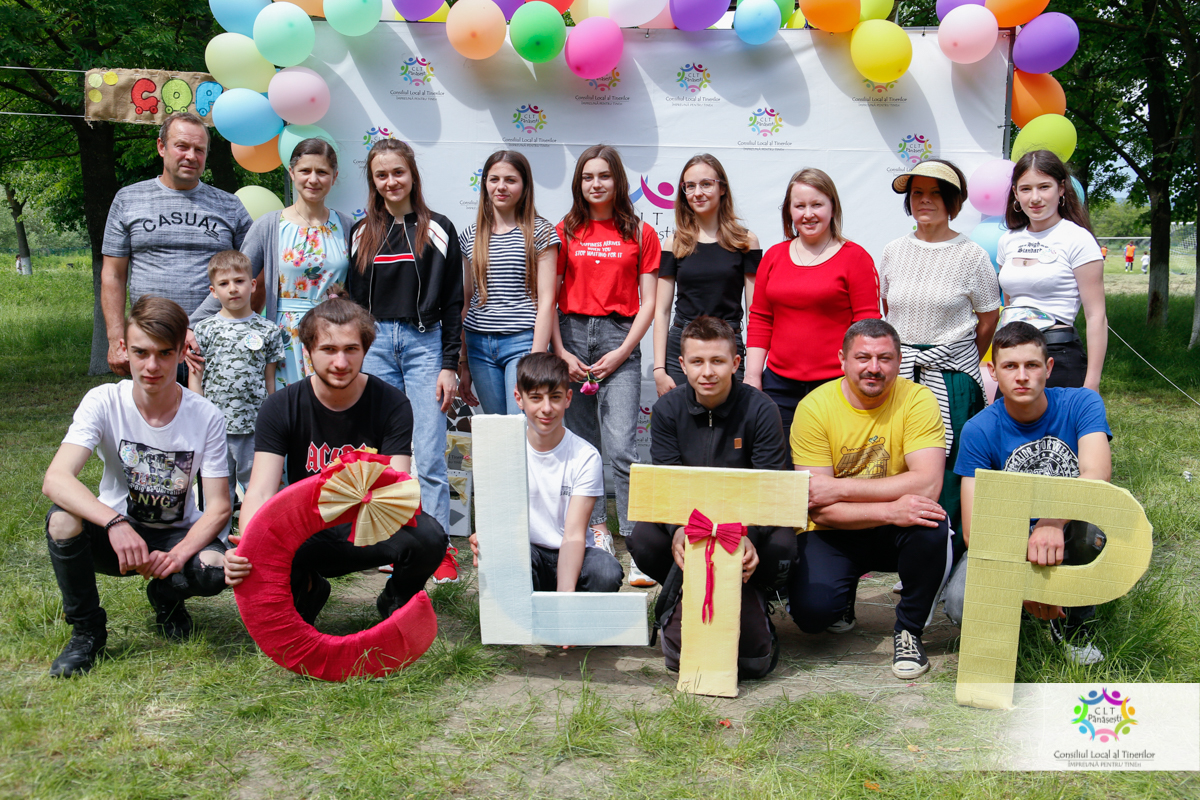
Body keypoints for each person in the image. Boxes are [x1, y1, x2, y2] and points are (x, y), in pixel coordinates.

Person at [222, 298, 445, 623]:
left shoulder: (392, 403)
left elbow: (397, 489)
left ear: (365, 350)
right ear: (308, 350)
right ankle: (308, 588)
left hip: (369, 525)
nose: (340, 362)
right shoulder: (280, 406)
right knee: (262, 539)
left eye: (351, 349)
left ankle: (396, 599)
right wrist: (249, 545)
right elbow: (259, 491)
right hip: (309, 529)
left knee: (430, 536)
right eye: (328, 349)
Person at [42, 296, 231, 677]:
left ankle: (167, 595)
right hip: (116, 536)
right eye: (141, 352)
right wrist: (115, 523)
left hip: (176, 535)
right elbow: (56, 478)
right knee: (62, 521)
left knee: (215, 570)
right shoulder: (103, 400)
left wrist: (178, 555)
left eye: (164, 353)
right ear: (124, 349)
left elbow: (219, 507)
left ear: (181, 353)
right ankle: (87, 631)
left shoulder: (206, 416)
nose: (151, 366)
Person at [789, 319, 950, 679]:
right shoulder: (814, 408)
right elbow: (818, 507)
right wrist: (890, 508)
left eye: (884, 358)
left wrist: (841, 489)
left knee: (931, 523)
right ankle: (842, 597)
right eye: (862, 357)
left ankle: (909, 630)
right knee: (813, 616)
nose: (873, 368)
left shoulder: (918, 399)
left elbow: (927, 485)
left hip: (895, 528)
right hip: (835, 529)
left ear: (899, 360)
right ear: (842, 359)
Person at [944, 322, 1112, 665]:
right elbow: (975, 530)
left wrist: (1052, 521)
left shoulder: (1082, 403)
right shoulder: (979, 429)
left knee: (1091, 533)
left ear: (1048, 368)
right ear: (993, 372)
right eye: (1010, 366)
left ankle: (1074, 628)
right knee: (960, 604)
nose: (1021, 376)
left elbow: (1097, 476)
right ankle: (1022, 613)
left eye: (1031, 365)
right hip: (1008, 537)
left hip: (1070, 527)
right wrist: (1026, 578)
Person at [346, 139, 463, 583]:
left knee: (429, 454)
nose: (391, 181)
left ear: (412, 174)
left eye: (398, 172)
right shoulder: (361, 231)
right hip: (376, 347)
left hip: (424, 345)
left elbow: (453, 302)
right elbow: (355, 305)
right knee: (381, 456)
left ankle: (437, 548)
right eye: (382, 175)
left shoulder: (439, 228)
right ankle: (390, 543)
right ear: (373, 181)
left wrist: (448, 363)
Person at [553, 144, 659, 583]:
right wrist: (562, 352)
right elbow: (549, 297)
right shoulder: (565, 230)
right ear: (579, 183)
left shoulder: (641, 232)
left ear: (618, 180)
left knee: (621, 450)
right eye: (587, 177)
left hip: (620, 338)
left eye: (604, 176)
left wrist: (623, 351)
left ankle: (636, 543)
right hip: (572, 337)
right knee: (582, 448)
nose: (595, 184)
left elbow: (649, 302)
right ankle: (597, 532)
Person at [629, 316, 796, 593]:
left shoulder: (762, 409)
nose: (707, 372)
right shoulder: (666, 410)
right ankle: (686, 593)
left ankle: (752, 596)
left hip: (745, 514)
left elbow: (768, 486)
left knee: (784, 547)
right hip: (690, 514)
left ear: (735, 364)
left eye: (717, 361)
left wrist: (747, 535)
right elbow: (669, 483)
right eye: (697, 362)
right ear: (683, 364)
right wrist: (678, 529)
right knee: (643, 540)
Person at [880, 159, 1000, 541]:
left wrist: (956, 358)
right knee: (900, 458)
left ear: (953, 201)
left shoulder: (972, 254)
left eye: (935, 193)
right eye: (917, 193)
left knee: (952, 466)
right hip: (903, 377)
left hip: (952, 379)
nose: (925, 200)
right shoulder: (893, 250)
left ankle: (954, 547)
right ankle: (906, 545)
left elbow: (988, 318)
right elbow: (889, 310)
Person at [101, 112, 253, 378]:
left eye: (199, 149)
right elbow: (113, 274)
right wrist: (116, 340)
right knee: (154, 407)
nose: (191, 156)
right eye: (182, 146)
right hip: (150, 342)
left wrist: (244, 328)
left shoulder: (229, 206)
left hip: (215, 343)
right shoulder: (128, 199)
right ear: (161, 147)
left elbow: (254, 273)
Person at [195, 138, 353, 390]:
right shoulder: (269, 225)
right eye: (305, 170)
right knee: (288, 405)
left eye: (322, 172)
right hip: (285, 337)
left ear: (334, 177)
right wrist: (192, 325)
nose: (313, 179)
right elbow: (234, 277)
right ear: (292, 172)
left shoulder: (347, 226)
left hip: (335, 334)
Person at [467, 353, 623, 592]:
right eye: (536, 398)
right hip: (527, 550)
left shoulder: (585, 456)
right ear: (519, 399)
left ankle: (570, 609)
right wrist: (487, 538)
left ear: (568, 398)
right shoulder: (503, 451)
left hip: (573, 550)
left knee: (605, 571)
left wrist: (563, 601)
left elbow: (573, 535)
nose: (546, 408)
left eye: (555, 397)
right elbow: (498, 520)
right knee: (502, 555)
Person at [745, 168, 881, 434]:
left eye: (817, 204)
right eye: (800, 206)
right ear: (789, 211)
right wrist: (752, 376)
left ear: (832, 207)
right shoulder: (773, 256)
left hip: (837, 386)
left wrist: (856, 379)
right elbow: (761, 319)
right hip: (777, 387)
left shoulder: (856, 258)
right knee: (779, 459)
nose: (808, 214)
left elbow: (867, 328)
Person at [188, 251, 285, 537]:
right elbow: (196, 379)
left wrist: (272, 421)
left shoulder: (268, 330)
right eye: (224, 283)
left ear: (253, 285)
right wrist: (199, 420)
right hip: (216, 429)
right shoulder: (204, 330)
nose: (232, 288)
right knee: (218, 492)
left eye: (239, 281)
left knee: (259, 488)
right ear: (213, 291)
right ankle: (215, 543)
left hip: (255, 428)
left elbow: (270, 380)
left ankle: (258, 539)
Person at [456, 151, 560, 414]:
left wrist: (536, 358)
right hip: (478, 347)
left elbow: (547, 301)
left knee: (519, 425)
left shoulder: (541, 232)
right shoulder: (470, 236)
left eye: (510, 180)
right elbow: (466, 301)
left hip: (522, 344)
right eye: (494, 179)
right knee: (498, 429)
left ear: (524, 186)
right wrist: (463, 361)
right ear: (485, 184)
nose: (501, 187)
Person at [997, 150, 1106, 392]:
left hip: (1058, 355)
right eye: (1026, 189)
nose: (1035, 198)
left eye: (1044, 187)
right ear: (1016, 193)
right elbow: (1010, 303)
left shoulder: (1078, 238)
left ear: (1061, 189)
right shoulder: (1008, 240)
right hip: (1013, 355)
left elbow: (1096, 316)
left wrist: (1092, 383)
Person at [653, 154, 760, 396]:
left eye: (706, 184)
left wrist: (753, 370)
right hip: (682, 347)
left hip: (728, 345)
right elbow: (662, 311)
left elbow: (755, 312)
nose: (697, 192)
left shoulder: (746, 241)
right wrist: (659, 369)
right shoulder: (674, 243)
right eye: (690, 186)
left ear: (722, 188)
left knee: (732, 418)